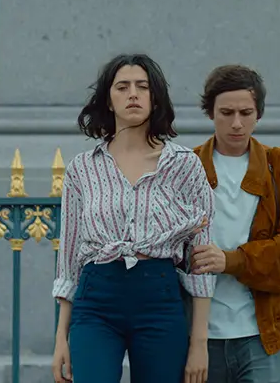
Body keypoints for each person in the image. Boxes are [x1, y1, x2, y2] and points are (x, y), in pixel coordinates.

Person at [51, 53, 216, 383]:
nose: (133, 94)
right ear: (108, 101)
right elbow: (68, 260)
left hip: (159, 297)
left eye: (142, 86)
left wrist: (199, 344)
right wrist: (60, 339)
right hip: (96, 299)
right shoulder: (82, 169)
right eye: (122, 87)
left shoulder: (184, 166)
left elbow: (201, 263)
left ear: (155, 99)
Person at [188, 64, 280, 383]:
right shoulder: (187, 167)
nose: (236, 123)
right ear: (210, 113)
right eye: (226, 112)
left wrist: (231, 260)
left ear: (258, 114)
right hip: (197, 337)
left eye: (245, 112)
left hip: (261, 335)